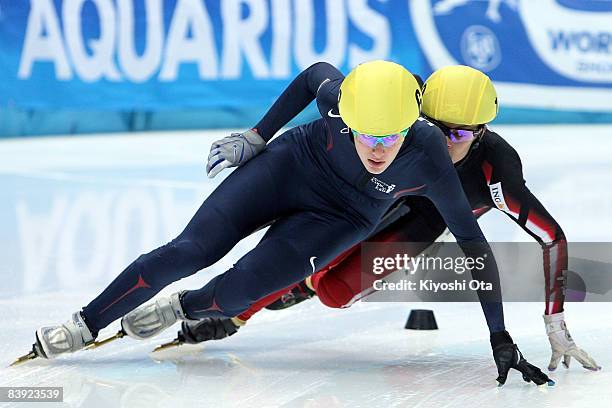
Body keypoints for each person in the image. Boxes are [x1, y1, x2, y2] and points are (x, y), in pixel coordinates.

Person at [16, 60, 550, 386]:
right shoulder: (340, 100)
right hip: (292, 169)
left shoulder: (431, 155)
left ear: (413, 126)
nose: (378, 149)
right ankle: (84, 323)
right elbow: (312, 74)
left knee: (232, 296)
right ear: (345, 118)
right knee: (189, 250)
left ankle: (182, 307)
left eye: (391, 139)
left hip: (342, 216)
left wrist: (500, 336)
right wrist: (257, 134)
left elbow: (475, 248)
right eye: (366, 135)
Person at [159, 65, 603, 380]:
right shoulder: (407, 138)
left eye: (461, 135)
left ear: (482, 133)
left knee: (334, 293)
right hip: (378, 197)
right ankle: (247, 308)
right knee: (303, 251)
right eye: (434, 128)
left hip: (425, 220)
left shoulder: (497, 172)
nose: (444, 144)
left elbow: (552, 238)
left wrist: (554, 322)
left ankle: (300, 288)